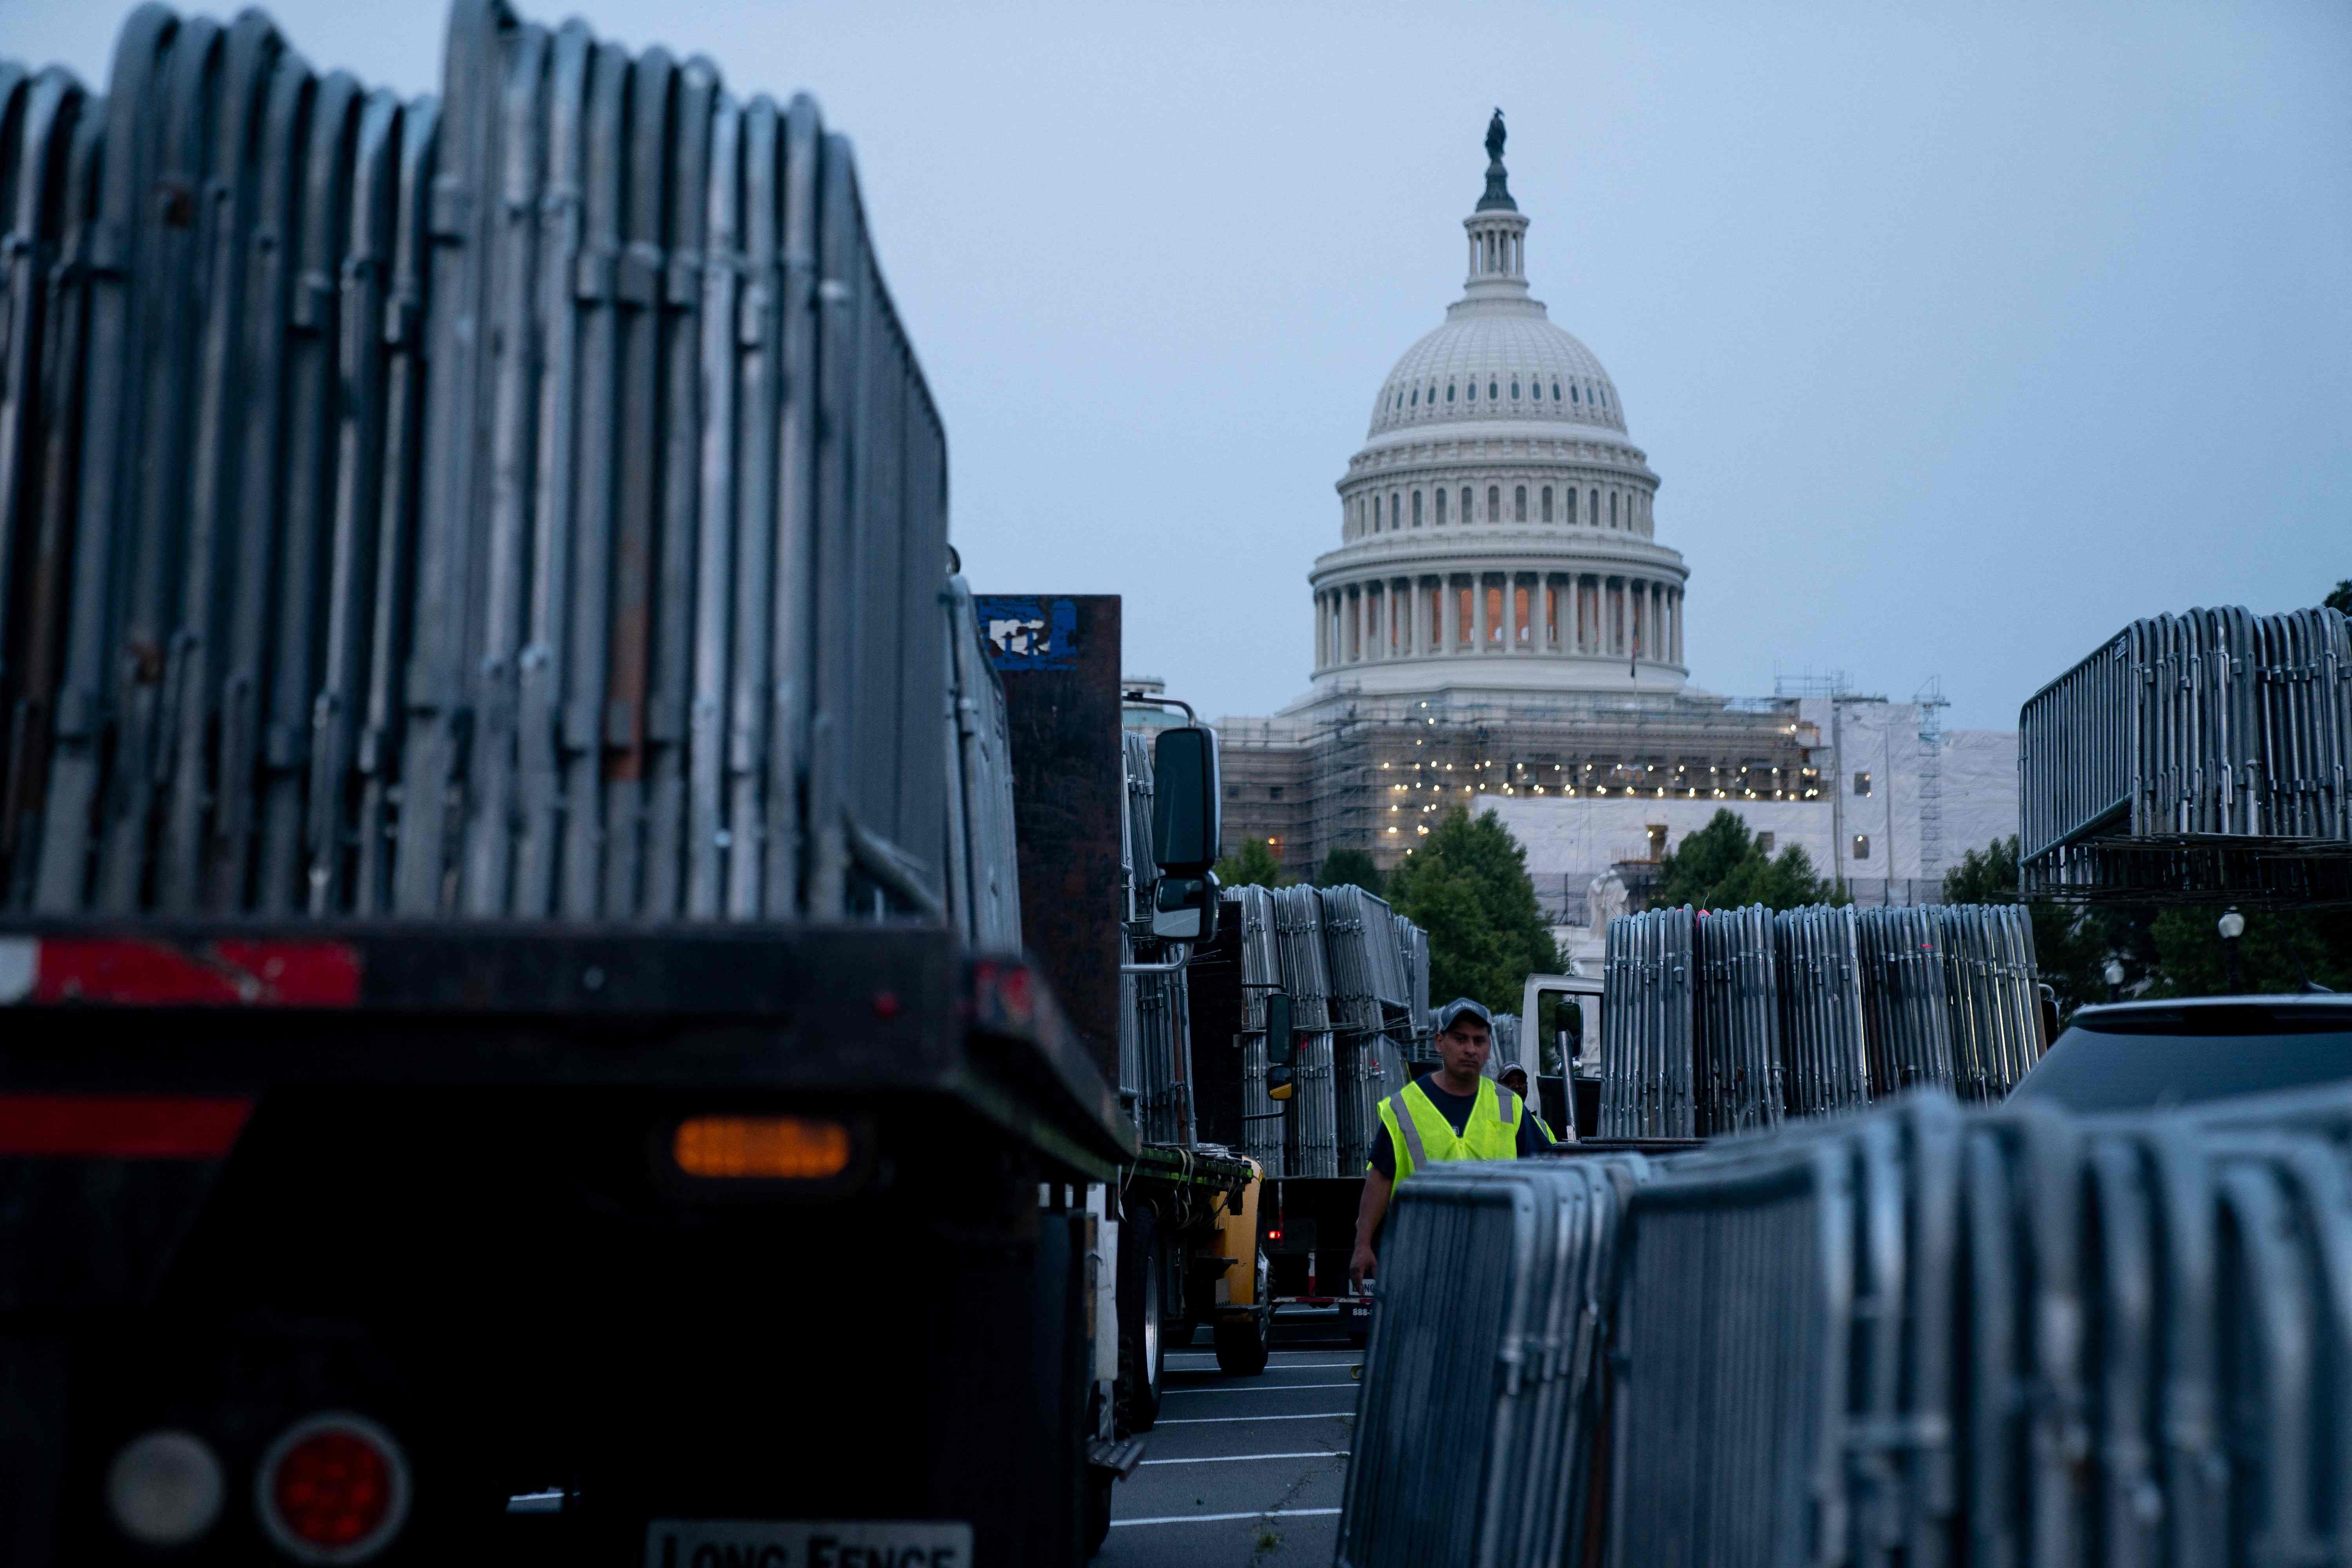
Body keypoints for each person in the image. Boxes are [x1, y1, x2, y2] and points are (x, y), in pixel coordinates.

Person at [1348, 998, 1548, 1293]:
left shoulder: (1510, 1107)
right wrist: (1363, 1244)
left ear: (1489, 1048)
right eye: (1460, 1039)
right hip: (1421, 1264)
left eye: (1479, 1040)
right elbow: (1381, 1178)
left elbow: (1541, 1174)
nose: (1471, 1049)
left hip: (1493, 1264)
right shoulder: (1405, 1107)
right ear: (1439, 1043)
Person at [1499, 1064, 1564, 1144]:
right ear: (1498, 1086)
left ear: (1527, 1086)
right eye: (1509, 1082)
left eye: (1521, 1081)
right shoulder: (1491, 1120)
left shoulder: (1542, 1125)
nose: (1516, 1086)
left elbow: (1554, 1154)